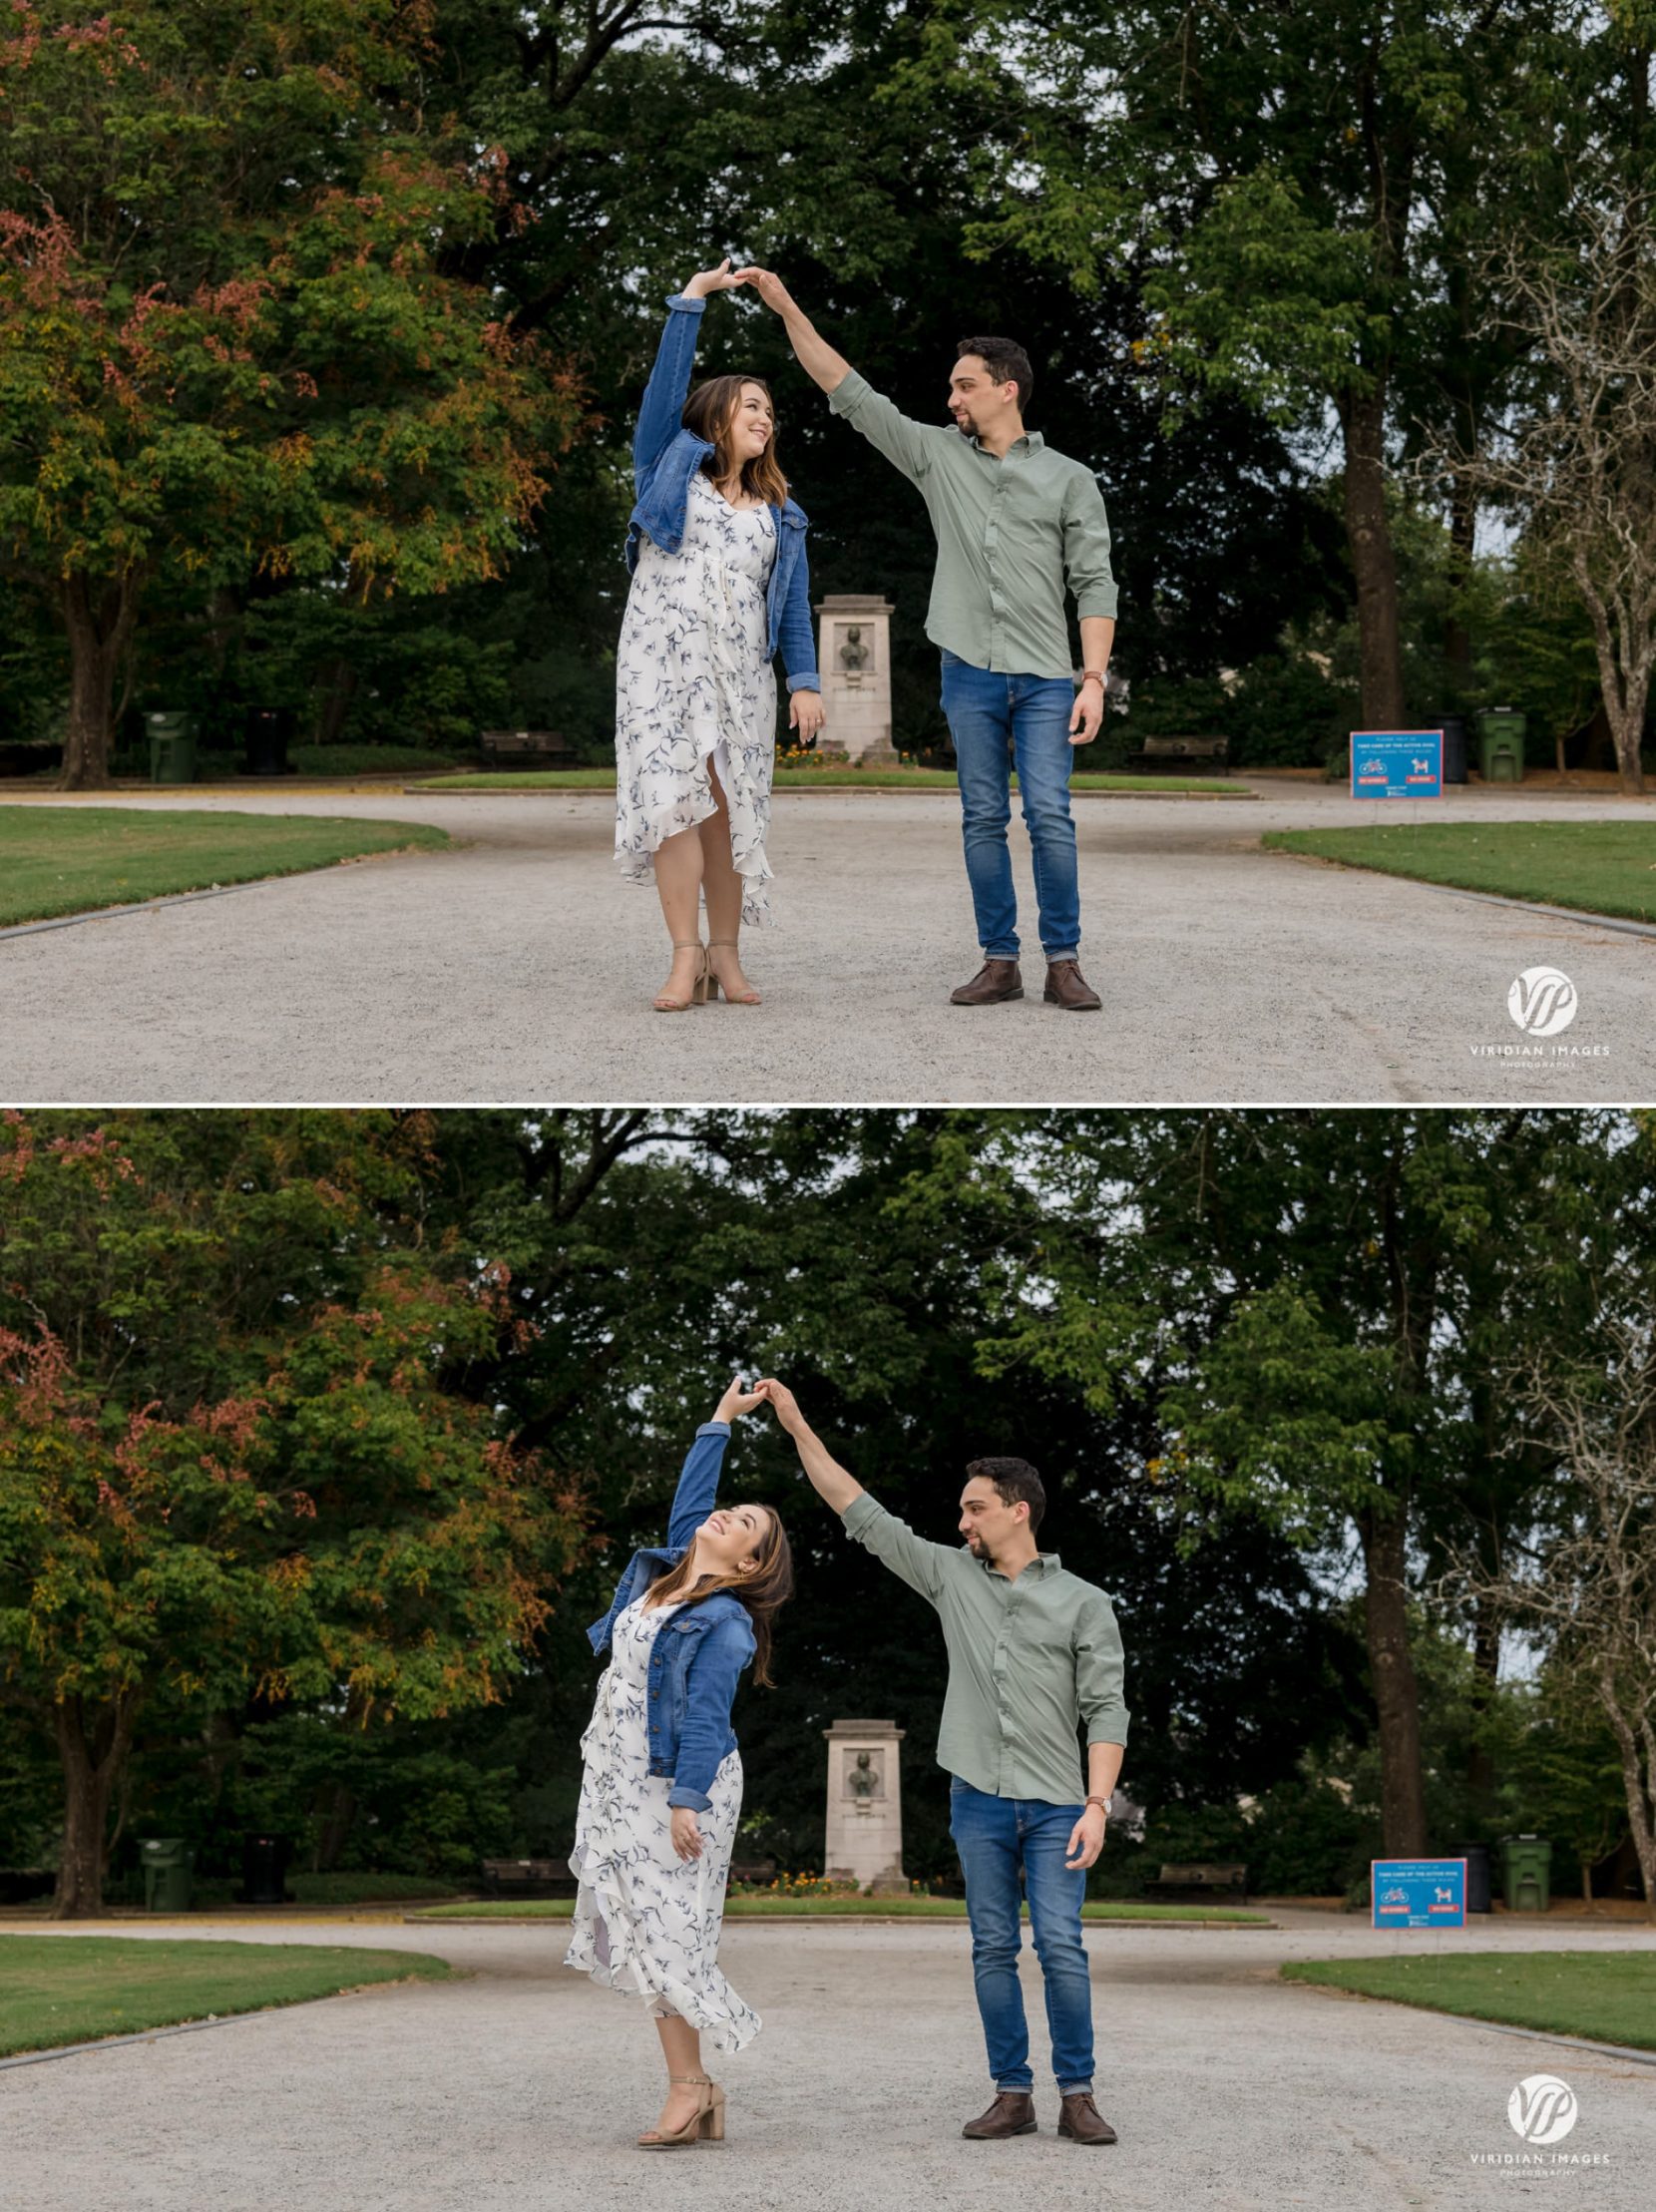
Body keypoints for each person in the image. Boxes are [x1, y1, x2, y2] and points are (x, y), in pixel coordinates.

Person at [756, 1377, 1128, 2146]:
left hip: (1062, 1801)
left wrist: (1098, 1803)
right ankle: (1013, 2093)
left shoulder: (1086, 1601)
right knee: (993, 1945)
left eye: (974, 1508)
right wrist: (794, 1423)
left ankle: (1080, 2093)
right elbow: (859, 1511)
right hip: (979, 1799)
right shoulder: (950, 1574)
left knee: (1061, 1943)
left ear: (1017, 1510)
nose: (961, 1520)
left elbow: (1107, 1708)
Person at [738, 267, 1116, 1012]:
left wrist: (1094, 678)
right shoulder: (936, 455)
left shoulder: (1071, 479)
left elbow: (1094, 583)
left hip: (1046, 678)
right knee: (982, 816)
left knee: (1048, 816)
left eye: (964, 386)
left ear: (1007, 389)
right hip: (968, 672)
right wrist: (784, 304)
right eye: (950, 389)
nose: (951, 400)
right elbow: (848, 390)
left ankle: (1063, 961)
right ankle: (1000, 961)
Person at [566, 1382, 793, 2148]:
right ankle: (696, 2086)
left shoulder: (723, 1619)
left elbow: (705, 1717)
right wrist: (721, 1421)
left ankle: (690, 2086)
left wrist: (687, 1798)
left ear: (751, 1559)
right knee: (638, 1929)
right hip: (620, 1773)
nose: (728, 1513)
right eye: (733, 1507)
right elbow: (694, 1495)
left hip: (679, 1784)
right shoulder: (668, 1572)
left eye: (748, 1522)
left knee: (671, 1935)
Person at [617, 260, 825, 1013]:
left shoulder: (781, 512)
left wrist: (805, 681)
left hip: (740, 674)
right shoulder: (665, 472)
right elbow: (660, 398)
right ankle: (683, 958)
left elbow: (791, 604)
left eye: (769, 409)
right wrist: (694, 301)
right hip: (658, 668)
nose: (763, 417)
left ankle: (726, 957)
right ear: (714, 421)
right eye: (749, 407)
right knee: (673, 802)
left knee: (728, 806)